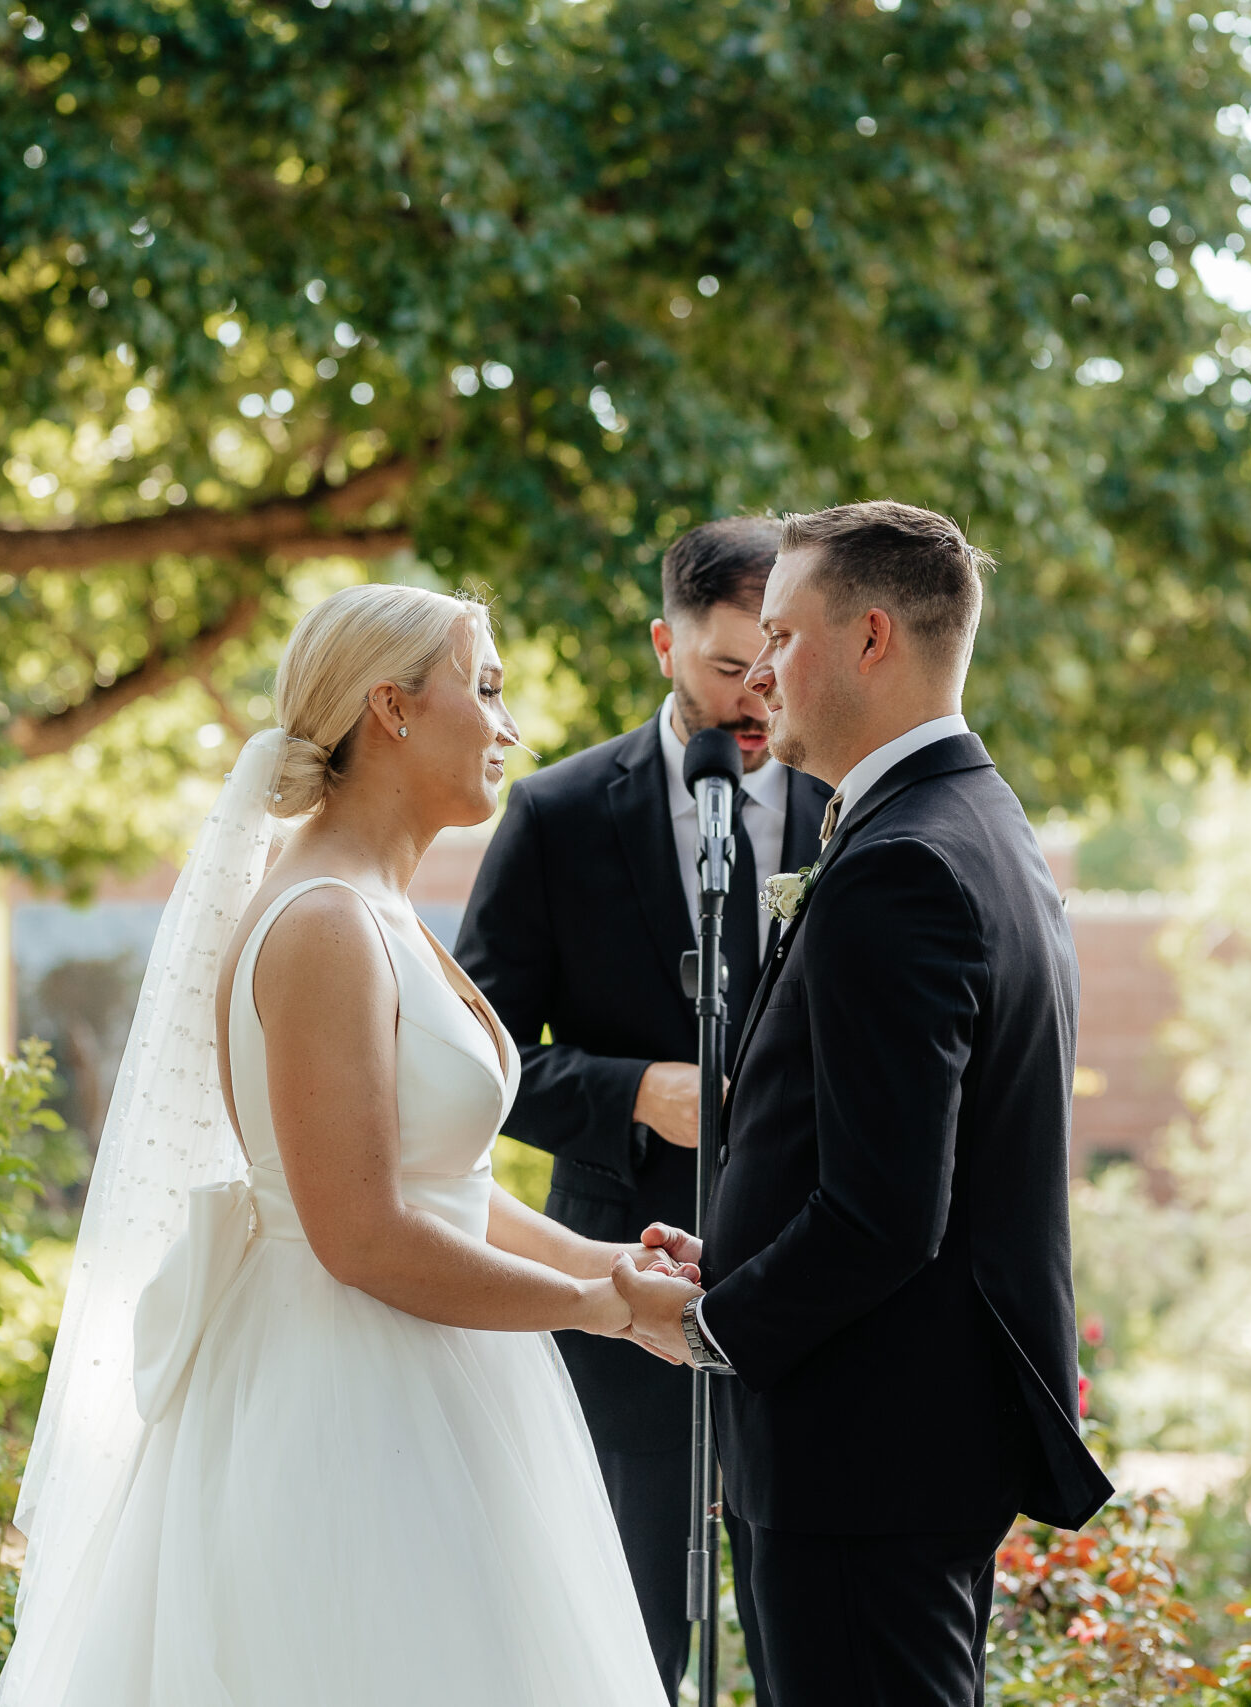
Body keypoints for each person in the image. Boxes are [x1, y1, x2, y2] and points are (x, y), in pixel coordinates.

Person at [0, 584, 671, 1706]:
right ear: (394, 710)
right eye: (487, 688)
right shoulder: (320, 925)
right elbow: (358, 1233)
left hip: (443, 1378)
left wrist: (607, 1265)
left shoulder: (378, 906)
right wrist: (601, 1313)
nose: (509, 728)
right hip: (347, 1401)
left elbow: (441, 1186)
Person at [616, 502, 1118, 1707]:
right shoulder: (974, 824)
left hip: (861, 1455)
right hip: (900, 1443)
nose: (760, 670)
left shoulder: (903, 862)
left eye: (782, 635)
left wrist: (708, 1329)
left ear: (872, 638)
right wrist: (727, 1253)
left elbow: (888, 1211)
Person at [454, 517, 832, 1697]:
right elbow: (483, 1053)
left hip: (816, 1288)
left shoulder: (850, 803)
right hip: (622, 1289)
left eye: (770, 662)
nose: (754, 696)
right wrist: (635, 1095)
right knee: (621, 1637)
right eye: (726, 668)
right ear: (665, 643)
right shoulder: (558, 816)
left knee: (806, 1642)